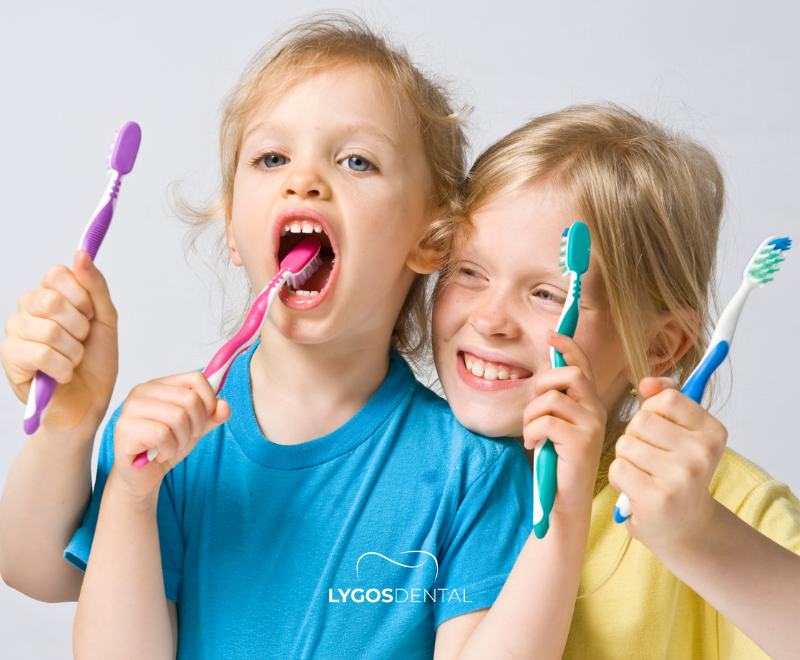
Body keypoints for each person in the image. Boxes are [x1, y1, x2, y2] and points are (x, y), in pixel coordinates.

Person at [1, 14, 533, 659]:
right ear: (231, 228)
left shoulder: (474, 470)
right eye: (271, 157)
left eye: (357, 160)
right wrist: (83, 445)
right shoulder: (163, 442)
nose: (303, 179)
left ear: (431, 238)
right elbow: (33, 572)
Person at [432, 104, 800, 659]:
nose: (488, 320)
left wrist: (696, 531)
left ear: (657, 347)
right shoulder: (414, 471)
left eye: (546, 294)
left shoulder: (723, 499)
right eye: (469, 272)